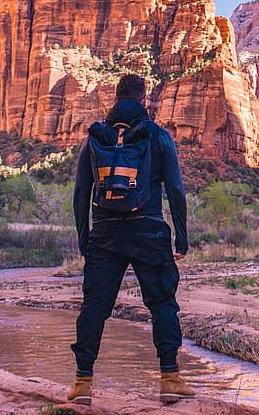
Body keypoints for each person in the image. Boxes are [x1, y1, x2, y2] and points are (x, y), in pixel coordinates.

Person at [67, 74, 194, 405]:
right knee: (162, 304)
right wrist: (181, 237)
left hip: (105, 233)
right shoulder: (157, 136)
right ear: (144, 99)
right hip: (148, 229)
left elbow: (81, 192)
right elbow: (176, 190)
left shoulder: (97, 136)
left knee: (95, 306)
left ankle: (83, 383)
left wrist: (85, 239)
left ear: (115, 99)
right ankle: (169, 378)